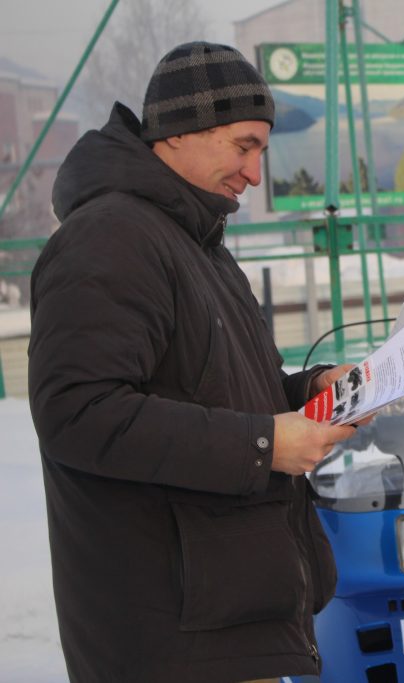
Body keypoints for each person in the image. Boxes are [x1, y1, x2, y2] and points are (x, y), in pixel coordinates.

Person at [28, 42, 360, 683]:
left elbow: (216, 394)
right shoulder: (111, 237)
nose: (255, 174)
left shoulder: (193, 240)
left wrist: (312, 392)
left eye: (262, 150)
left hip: (221, 618)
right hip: (170, 635)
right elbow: (78, 414)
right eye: (244, 146)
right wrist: (267, 443)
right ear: (179, 132)